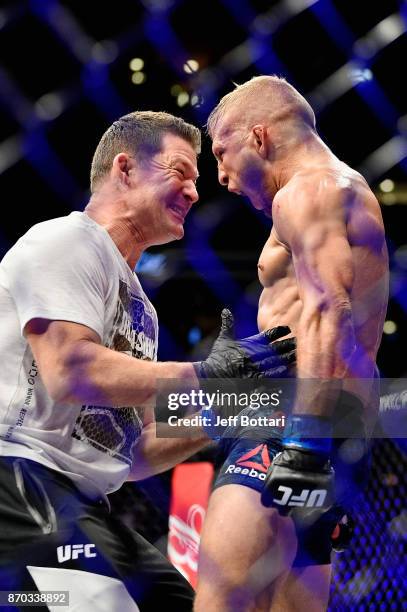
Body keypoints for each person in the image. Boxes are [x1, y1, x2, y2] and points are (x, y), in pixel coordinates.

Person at [0, 110, 295, 611]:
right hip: (17, 482)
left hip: (83, 502)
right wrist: (205, 374)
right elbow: (71, 370)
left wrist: (231, 405)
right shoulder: (67, 242)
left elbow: (132, 451)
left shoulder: (142, 309)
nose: (195, 192)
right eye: (180, 172)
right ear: (125, 169)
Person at [195, 76, 388, 611]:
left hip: (295, 413)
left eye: (222, 154)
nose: (223, 178)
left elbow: (332, 308)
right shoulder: (341, 189)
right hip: (342, 420)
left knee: (222, 598)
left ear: (259, 137)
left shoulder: (307, 190)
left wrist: (304, 440)